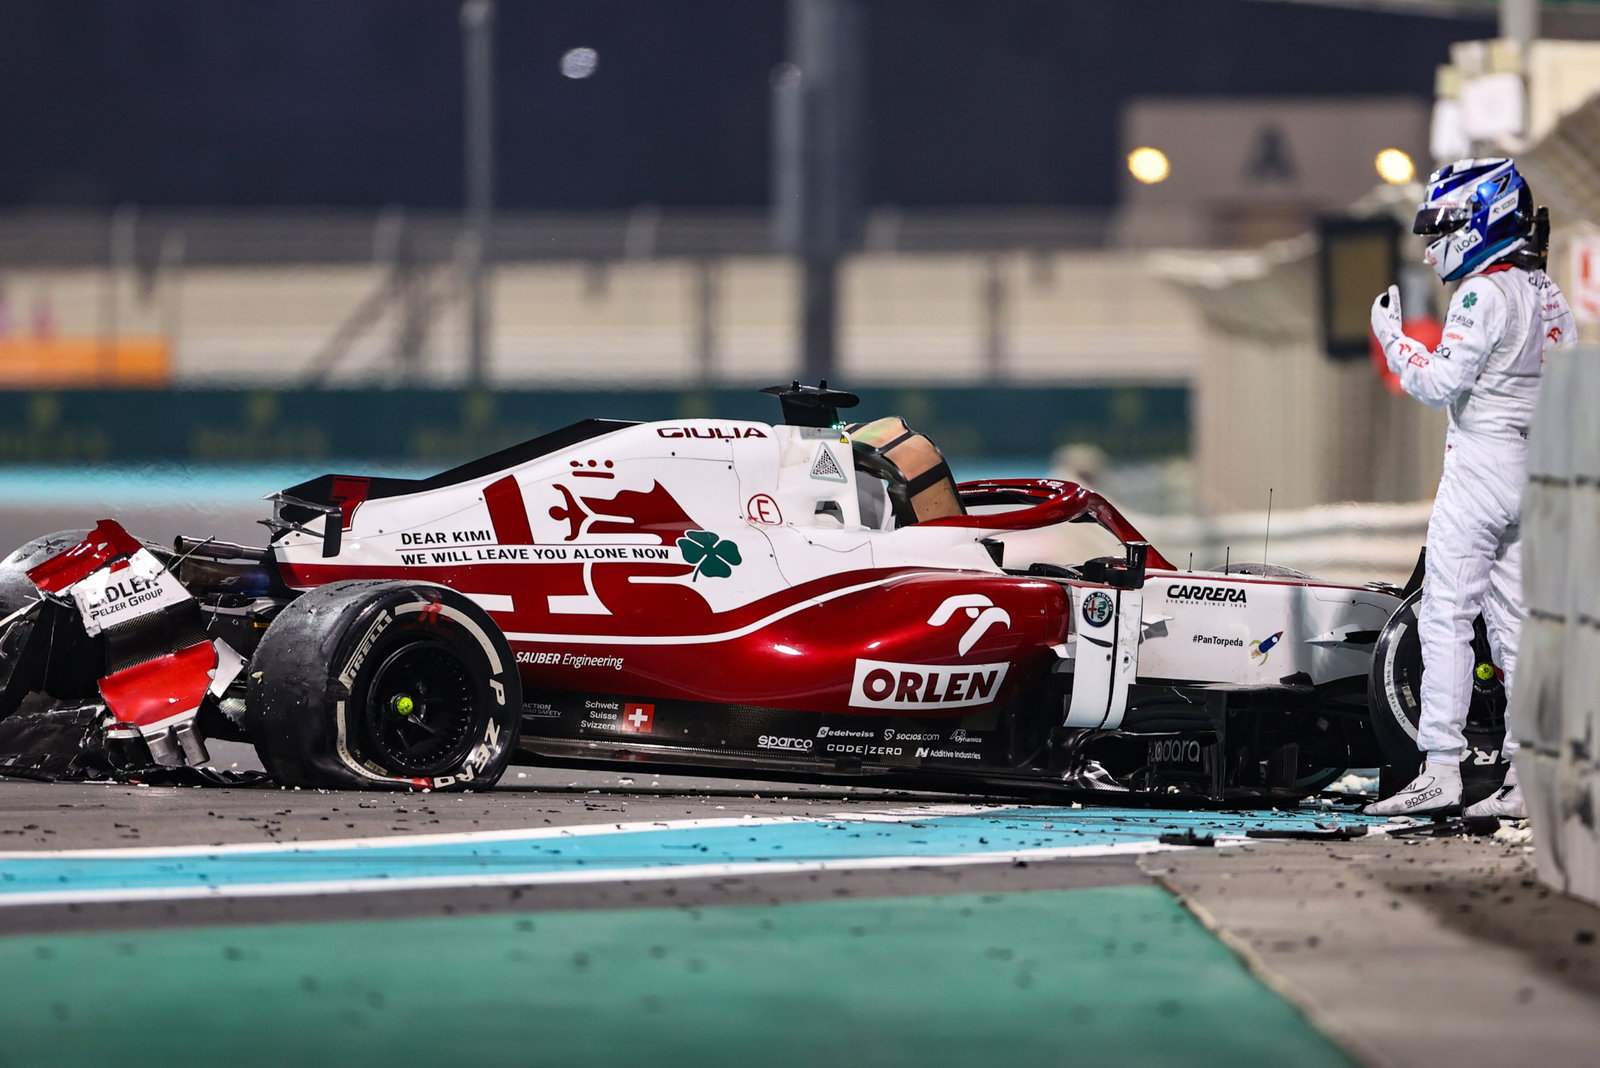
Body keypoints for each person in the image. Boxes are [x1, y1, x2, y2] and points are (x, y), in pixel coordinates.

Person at [1366, 157, 1574, 819]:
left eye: (1446, 225)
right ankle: (1525, 777)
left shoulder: (1480, 294)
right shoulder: (1546, 291)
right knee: (1518, 630)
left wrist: (1393, 340)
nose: (1434, 244)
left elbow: (1435, 384)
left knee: (1445, 616)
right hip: (1535, 470)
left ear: (1483, 218)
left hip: (1480, 468)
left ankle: (1440, 769)